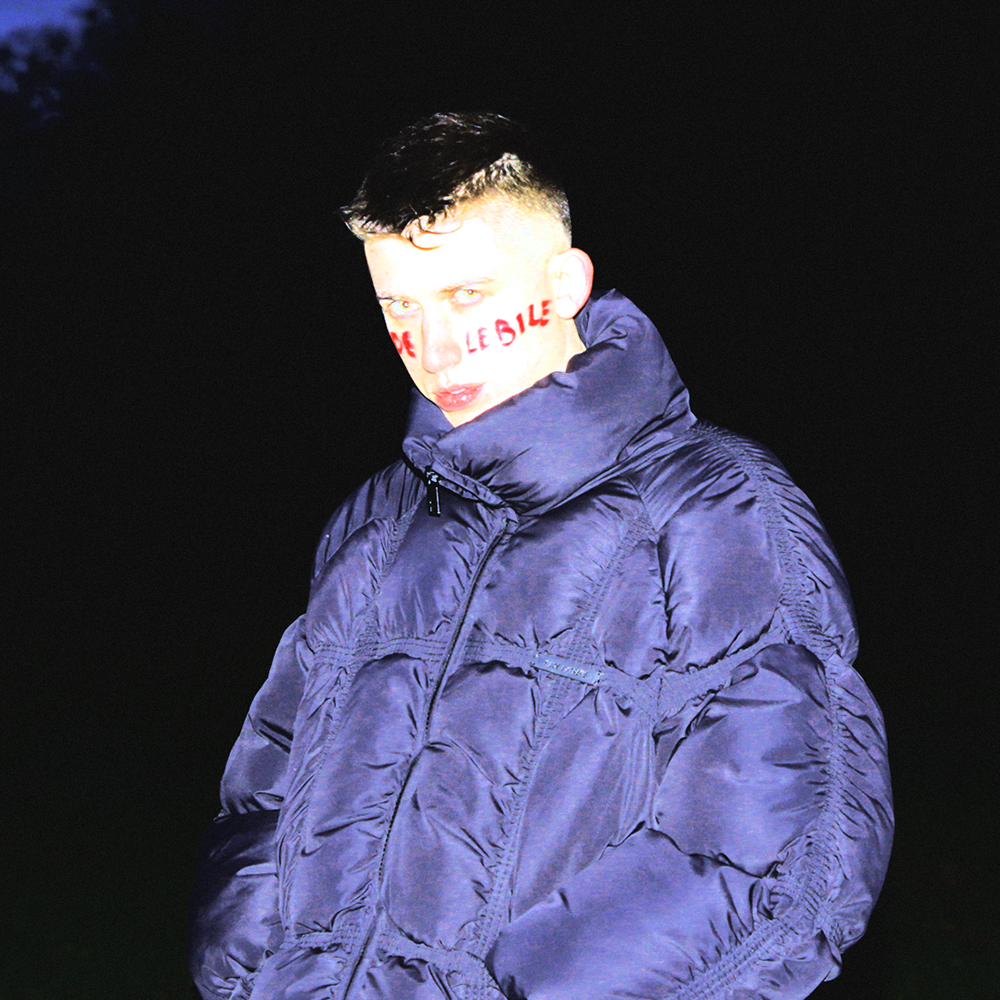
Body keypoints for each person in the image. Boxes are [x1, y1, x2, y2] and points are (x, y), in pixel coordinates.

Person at [189, 112, 893, 1000]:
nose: (433, 349)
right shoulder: (378, 519)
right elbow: (270, 782)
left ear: (565, 283)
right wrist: (250, 973)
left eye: (466, 296)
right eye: (399, 306)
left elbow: (776, 855)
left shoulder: (717, 506)